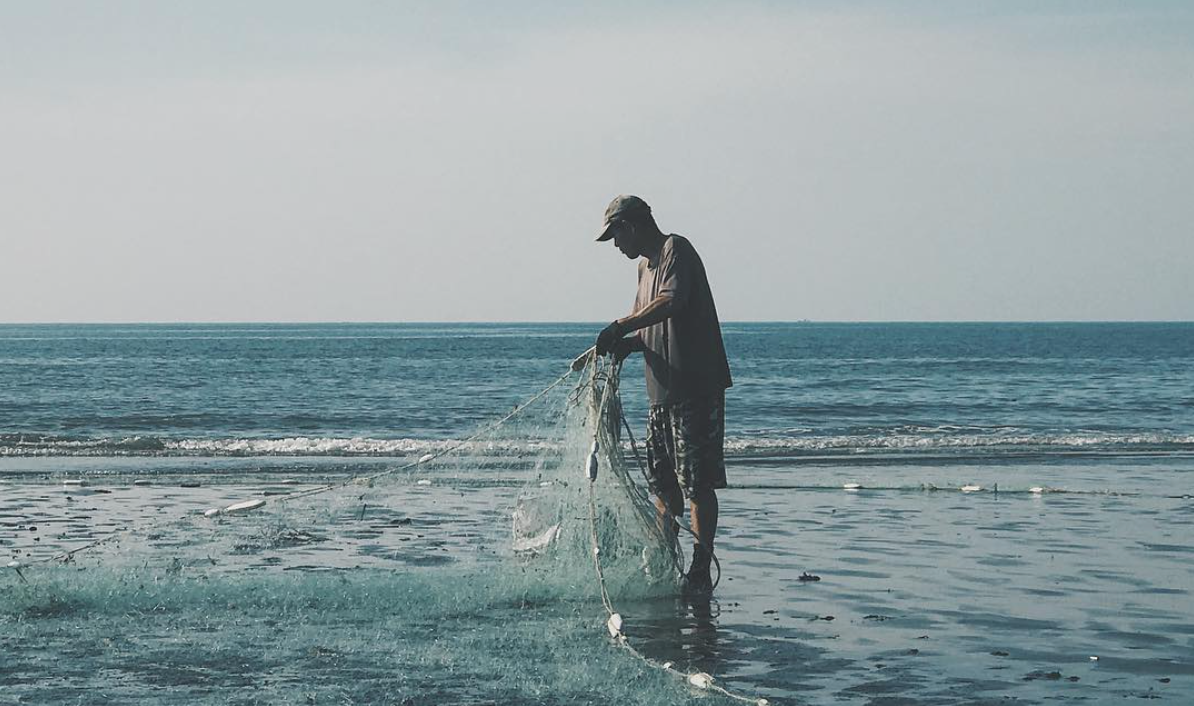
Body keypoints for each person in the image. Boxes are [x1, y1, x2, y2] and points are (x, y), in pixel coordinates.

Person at [593, 194, 732, 595]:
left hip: (695, 388)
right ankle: (665, 560)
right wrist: (629, 343)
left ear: (630, 227)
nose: (616, 247)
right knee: (663, 484)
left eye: (615, 237)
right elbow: (649, 326)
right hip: (660, 395)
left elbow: (671, 302)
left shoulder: (676, 249)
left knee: (696, 482)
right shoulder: (642, 269)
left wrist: (619, 325)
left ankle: (701, 566)